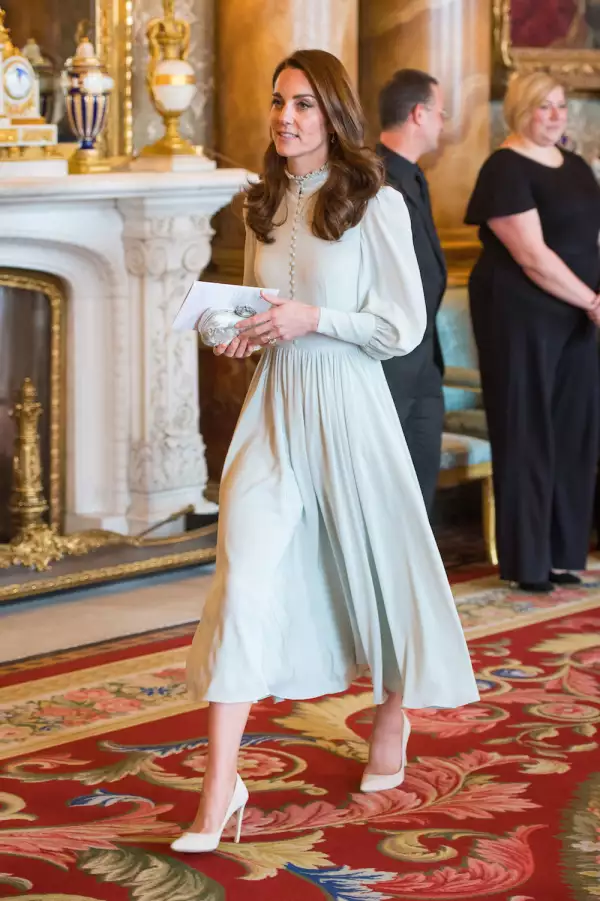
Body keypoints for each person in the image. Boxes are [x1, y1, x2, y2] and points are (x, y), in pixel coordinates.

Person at [171, 49, 479, 856]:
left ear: (332, 113)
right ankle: (219, 788)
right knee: (242, 581)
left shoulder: (375, 201)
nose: (286, 117)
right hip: (274, 413)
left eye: (304, 104)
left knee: (376, 572)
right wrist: (238, 333)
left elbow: (398, 327)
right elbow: (258, 306)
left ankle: (389, 711)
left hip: (351, 407)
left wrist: (316, 319)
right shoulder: (261, 204)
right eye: (278, 102)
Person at [465, 71, 600, 593]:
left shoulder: (578, 166)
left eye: (561, 106)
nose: (556, 115)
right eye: (544, 106)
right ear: (521, 109)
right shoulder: (504, 167)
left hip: (575, 317)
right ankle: (529, 562)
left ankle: (565, 554)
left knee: (574, 431)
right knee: (528, 432)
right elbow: (532, 256)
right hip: (520, 315)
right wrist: (590, 300)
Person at [376, 69, 447, 514]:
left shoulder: (416, 177)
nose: (444, 123)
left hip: (424, 363)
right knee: (384, 498)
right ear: (419, 114)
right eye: (440, 113)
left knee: (418, 500)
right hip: (388, 367)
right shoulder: (373, 178)